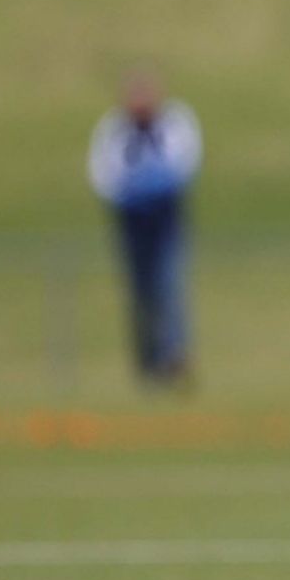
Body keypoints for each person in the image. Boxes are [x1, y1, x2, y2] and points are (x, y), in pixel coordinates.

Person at [88, 71, 200, 387]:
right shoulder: (114, 131)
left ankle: (174, 355)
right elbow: (102, 173)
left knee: (170, 287)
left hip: (166, 221)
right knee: (141, 293)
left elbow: (186, 161)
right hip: (132, 223)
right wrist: (131, 191)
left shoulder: (175, 123)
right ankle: (148, 361)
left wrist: (158, 184)